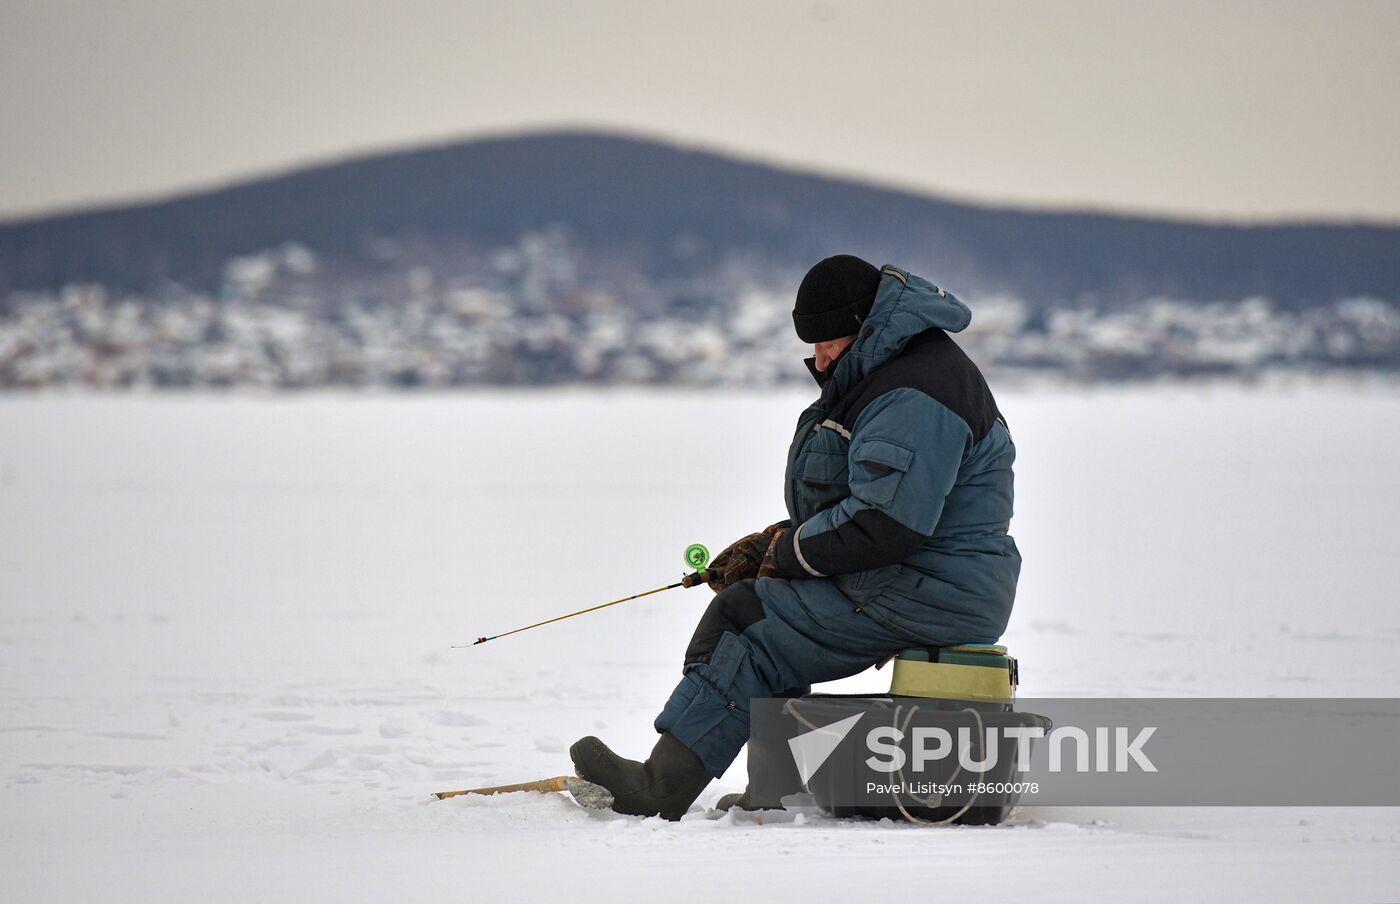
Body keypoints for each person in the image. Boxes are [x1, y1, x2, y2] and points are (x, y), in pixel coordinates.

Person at [570, 254, 1021, 819]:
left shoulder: (914, 394)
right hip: (920, 580)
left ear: (867, 325)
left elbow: (885, 526)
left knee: (751, 624)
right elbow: (867, 506)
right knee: (759, 611)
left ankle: (662, 787)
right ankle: (775, 793)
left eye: (830, 341)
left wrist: (785, 554)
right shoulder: (895, 370)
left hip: (925, 589)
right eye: (813, 345)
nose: (820, 357)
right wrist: (774, 545)